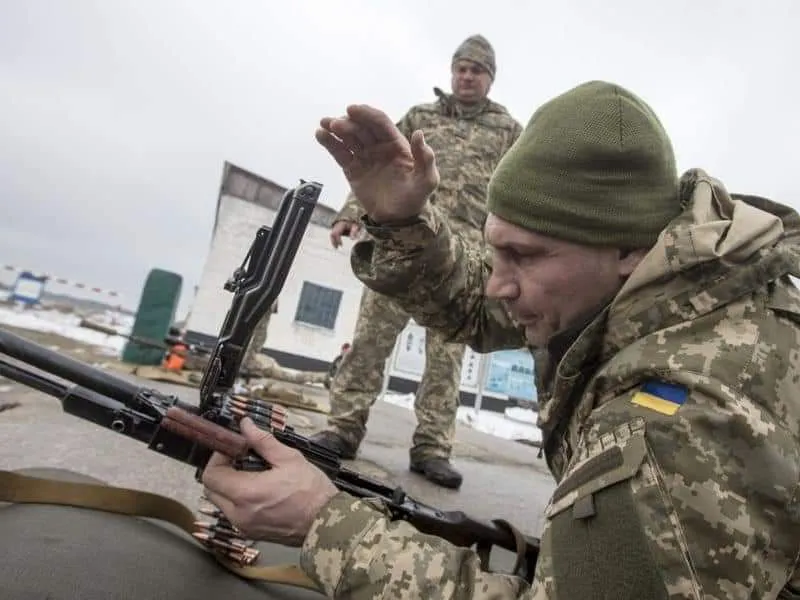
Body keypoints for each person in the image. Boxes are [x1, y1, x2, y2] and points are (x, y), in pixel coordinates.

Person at [202, 80, 800, 598]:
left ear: (628, 250)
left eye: (522, 256)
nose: (498, 287)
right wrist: (402, 222)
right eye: (495, 250)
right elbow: (472, 305)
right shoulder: (627, 287)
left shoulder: (688, 409)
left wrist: (321, 523)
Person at [314, 34, 523, 490]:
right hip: (402, 242)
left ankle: (432, 447)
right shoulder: (420, 118)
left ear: (490, 78)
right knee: (370, 337)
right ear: (453, 72)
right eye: (461, 67)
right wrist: (352, 212)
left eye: (477, 70)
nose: (467, 76)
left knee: (446, 357)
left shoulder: (508, 130)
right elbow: (378, 165)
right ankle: (343, 427)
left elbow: (520, 192)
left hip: (462, 257)